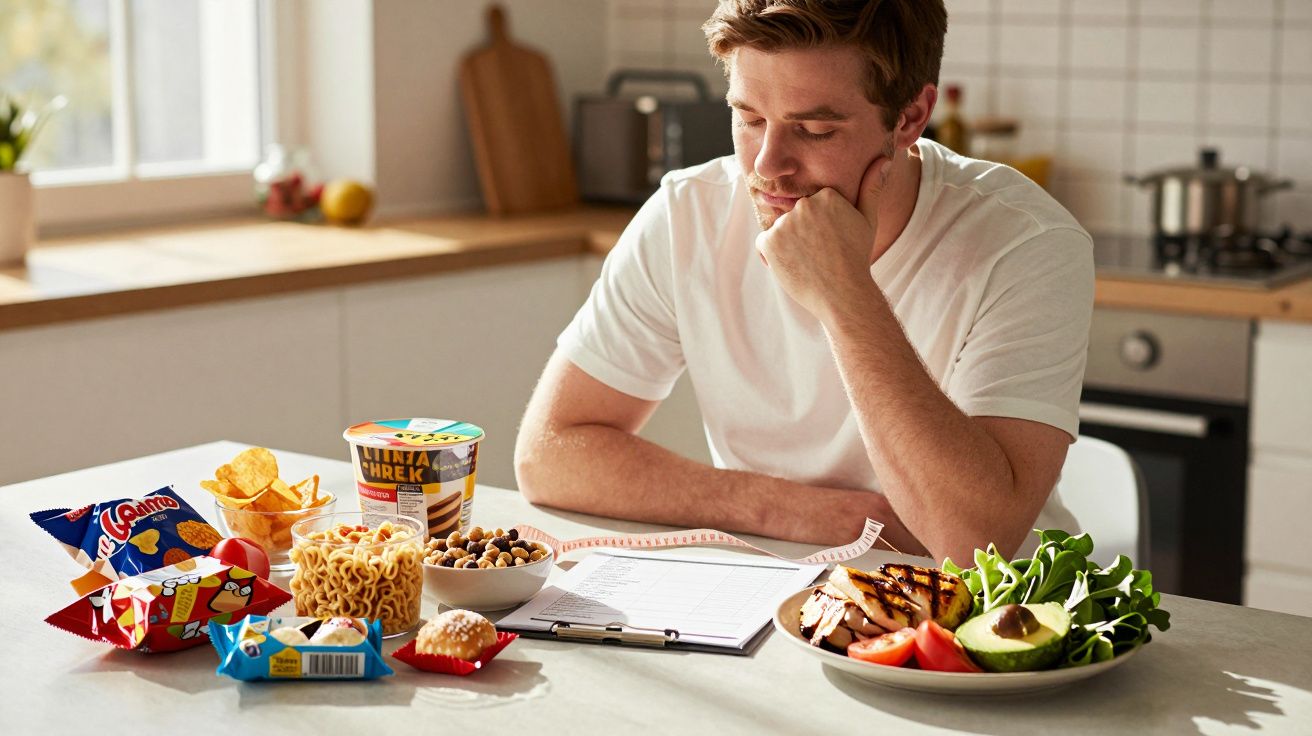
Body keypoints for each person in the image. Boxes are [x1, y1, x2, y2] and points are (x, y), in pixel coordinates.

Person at [514, 0, 1092, 563]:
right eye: (749, 118)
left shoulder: (1028, 242)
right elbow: (550, 454)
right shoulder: (688, 214)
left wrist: (845, 293)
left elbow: (973, 545)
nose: (766, 165)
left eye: (814, 129)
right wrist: (813, 514)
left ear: (911, 118)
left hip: (997, 621)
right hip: (769, 588)